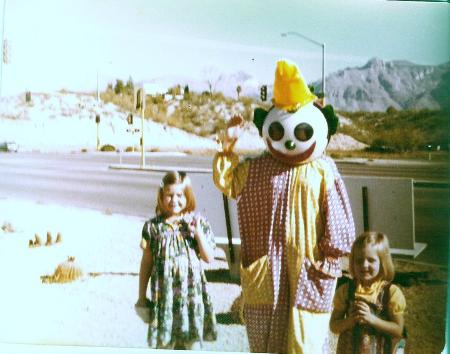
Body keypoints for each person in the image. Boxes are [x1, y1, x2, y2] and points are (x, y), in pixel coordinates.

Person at [213, 59, 355, 353]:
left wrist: (328, 262)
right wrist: (227, 147)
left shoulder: (324, 169)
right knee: (266, 341)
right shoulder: (258, 168)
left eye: (302, 133)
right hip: (268, 271)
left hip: (309, 269)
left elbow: (340, 225)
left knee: (306, 342)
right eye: (280, 132)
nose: (291, 142)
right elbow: (228, 182)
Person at [135, 171, 217, 350]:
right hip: (164, 298)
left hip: (191, 298)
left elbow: (209, 257)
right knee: (165, 344)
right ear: (161, 196)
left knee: (190, 344)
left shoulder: (198, 223)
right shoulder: (153, 227)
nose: (174, 200)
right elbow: (146, 264)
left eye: (180, 195)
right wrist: (141, 297)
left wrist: (198, 234)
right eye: (169, 195)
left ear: (187, 196)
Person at [330, 231, 407, 353]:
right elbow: (334, 325)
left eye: (371, 260)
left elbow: (398, 329)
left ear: (382, 263)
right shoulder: (346, 291)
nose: (364, 265)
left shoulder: (390, 293)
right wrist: (350, 321)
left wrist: (371, 319)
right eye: (359, 261)